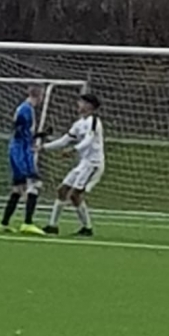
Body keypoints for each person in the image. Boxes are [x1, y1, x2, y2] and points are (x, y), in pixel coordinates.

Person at [41, 93, 105, 237]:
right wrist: (44, 147)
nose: (78, 104)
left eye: (81, 102)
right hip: (83, 163)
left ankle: (87, 228)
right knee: (62, 190)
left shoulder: (94, 121)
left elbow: (89, 140)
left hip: (93, 164)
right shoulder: (79, 124)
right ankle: (52, 226)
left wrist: (73, 150)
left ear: (89, 106)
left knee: (75, 195)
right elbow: (64, 140)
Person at [0, 84, 45, 236]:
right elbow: (18, 131)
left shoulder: (25, 108)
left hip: (18, 150)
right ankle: (27, 223)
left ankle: (4, 223)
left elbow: (23, 132)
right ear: (40, 95)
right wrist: (24, 157)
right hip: (21, 153)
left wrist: (38, 135)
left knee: (18, 189)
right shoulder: (26, 109)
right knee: (35, 184)